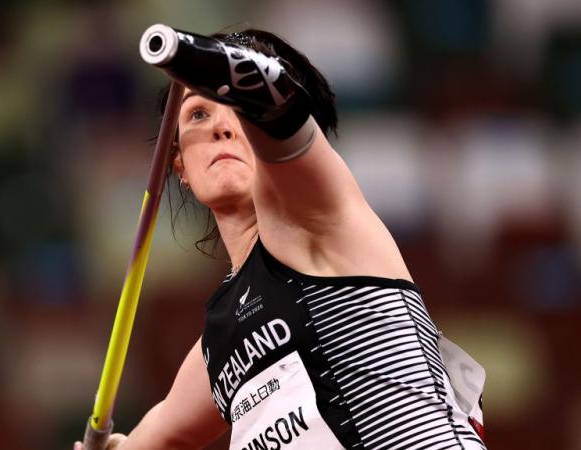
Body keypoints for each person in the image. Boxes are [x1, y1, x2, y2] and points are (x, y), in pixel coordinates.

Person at [76, 27, 486, 450]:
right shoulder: (221, 344)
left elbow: (276, 105)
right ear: (179, 164)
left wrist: (195, 56)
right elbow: (164, 431)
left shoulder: (320, 219)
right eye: (198, 114)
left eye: (237, 111)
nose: (222, 127)